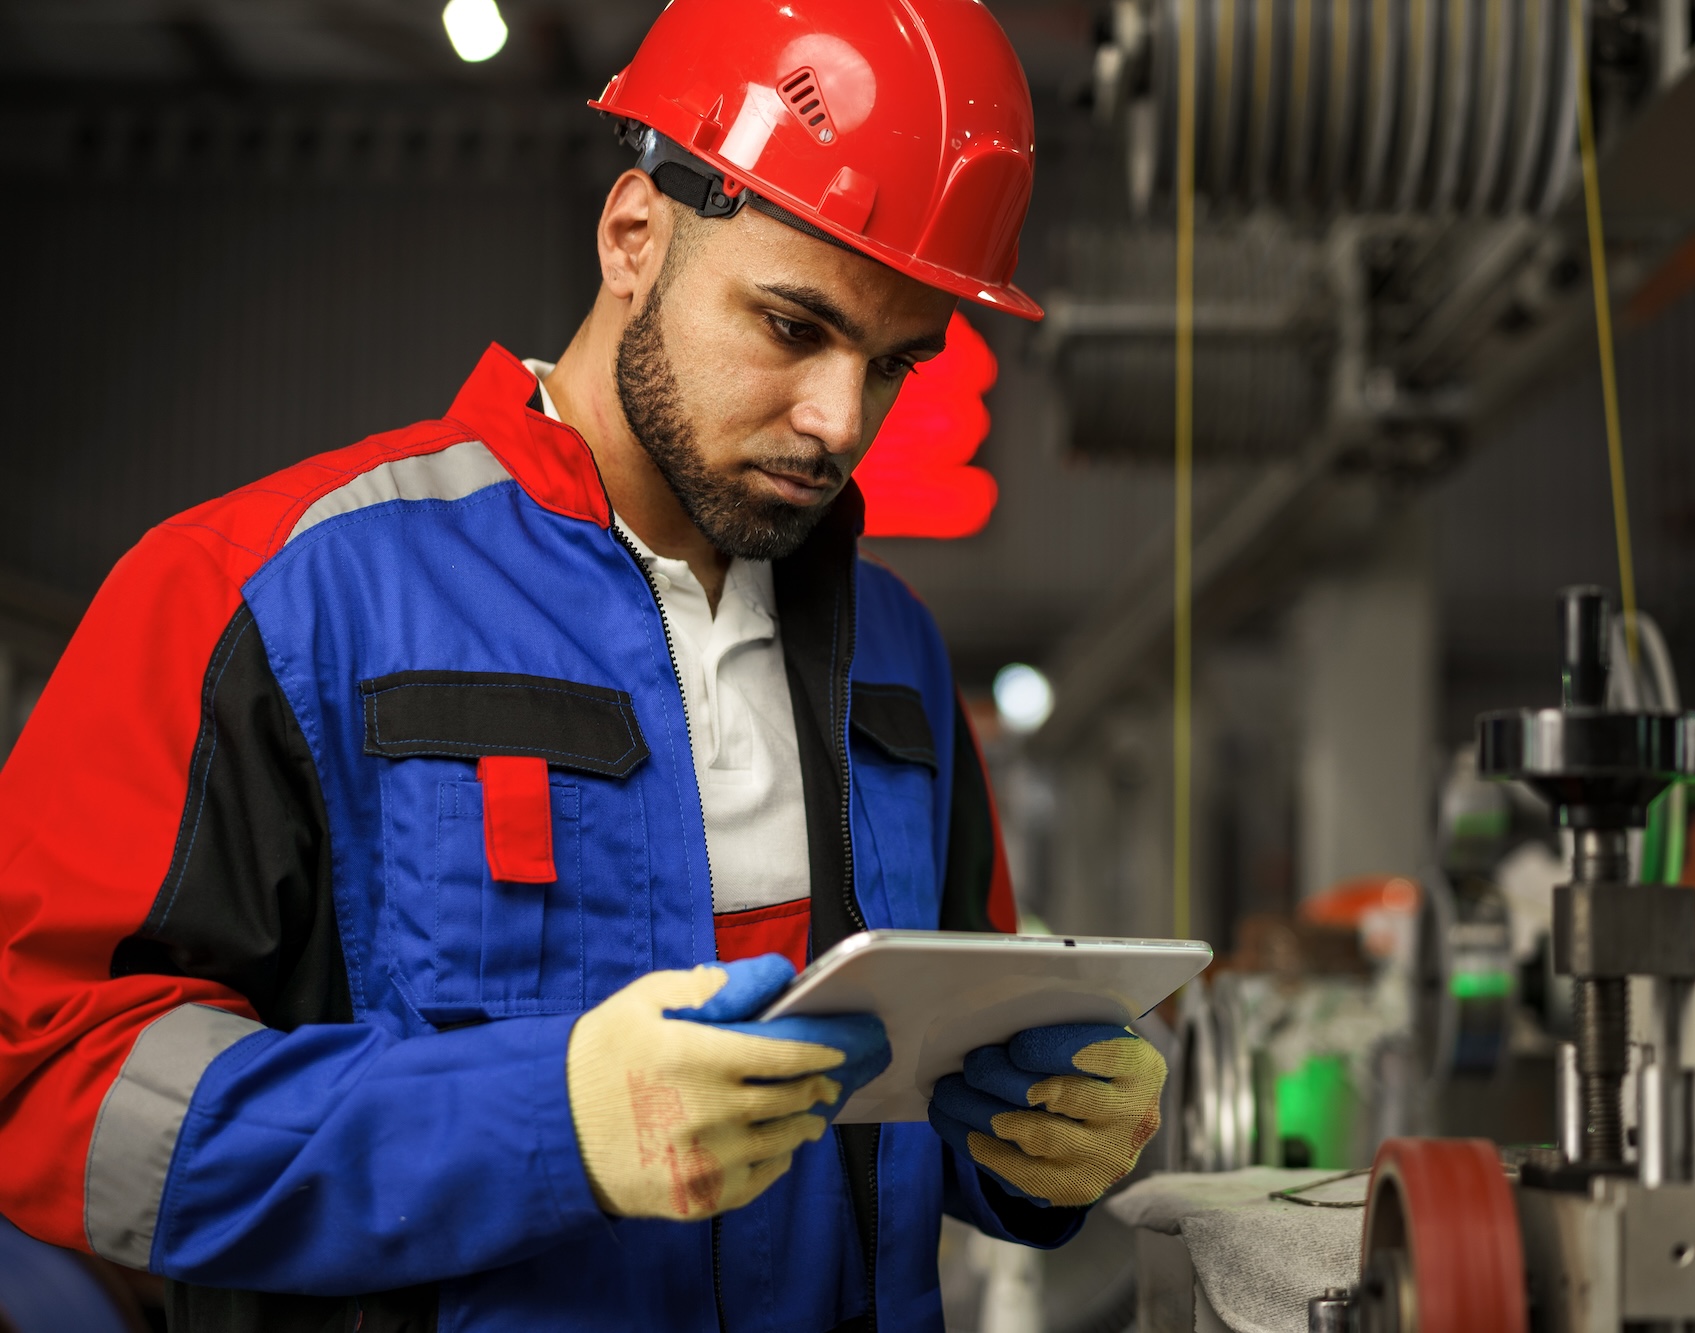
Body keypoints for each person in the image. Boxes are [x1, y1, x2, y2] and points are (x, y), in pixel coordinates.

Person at [0, 2, 1167, 1328]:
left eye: (892, 364)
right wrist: (547, 1122)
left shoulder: (892, 658)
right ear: (633, 237)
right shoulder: (271, 593)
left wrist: (1042, 1133)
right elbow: (50, 1079)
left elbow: (917, 1083)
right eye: (793, 328)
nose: (842, 422)